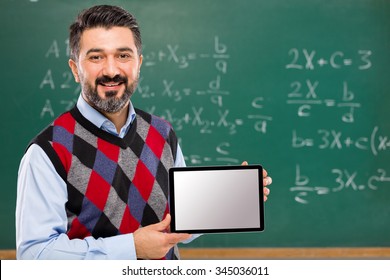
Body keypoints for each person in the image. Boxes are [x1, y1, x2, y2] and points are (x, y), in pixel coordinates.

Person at [15, 5, 272, 260]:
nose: (111, 70)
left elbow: (177, 222)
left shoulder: (162, 133)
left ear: (138, 64)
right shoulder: (47, 152)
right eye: (96, 57)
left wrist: (229, 200)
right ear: (75, 69)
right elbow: (34, 255)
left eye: (123, 56)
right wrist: (131, 249)